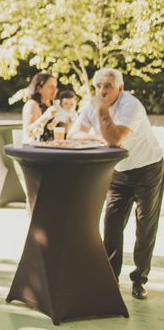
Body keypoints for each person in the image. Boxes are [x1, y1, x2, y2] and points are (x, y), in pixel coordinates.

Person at [68, 68, 163, 300]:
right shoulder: (94, 104)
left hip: (147, 169)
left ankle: (139, 280)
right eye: (98, 85)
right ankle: (110, 278)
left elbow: (115, 139)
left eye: (107, 85)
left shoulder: (131, 106)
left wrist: (101, 112)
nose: (101, 90)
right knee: (111, 225)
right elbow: (74, 134)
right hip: (117, 172)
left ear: (119, 87)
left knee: (144, 227)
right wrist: (98, 135)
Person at [21, 71, 58, 142]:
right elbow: (28, 133)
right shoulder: (32, 104)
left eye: (55, 87)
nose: (55, 90)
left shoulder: (53, 104)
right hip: (38, 150)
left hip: (55, 148)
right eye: (50, 87)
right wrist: (45, 116)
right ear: (39, 88)